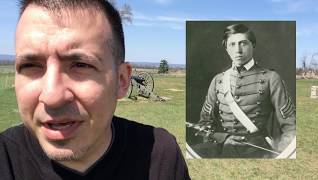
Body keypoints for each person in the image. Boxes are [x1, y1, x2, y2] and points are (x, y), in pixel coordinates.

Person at [0, 0, 190, 179]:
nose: (52, 96)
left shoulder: (160, 156)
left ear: (122, 81)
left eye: (81, 65)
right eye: (30, 65)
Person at [195, 23, 296, 158]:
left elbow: (291, 127)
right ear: (226, 48)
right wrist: (222, 138)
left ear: (253, 45)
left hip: (259, 151)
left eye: (243, 43)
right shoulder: (218, 80)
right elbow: (204, 125)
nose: (238, 50)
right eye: (232, 44)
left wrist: (280, 155)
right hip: (223, 150)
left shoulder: (271, 78)